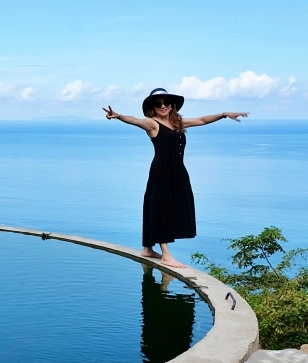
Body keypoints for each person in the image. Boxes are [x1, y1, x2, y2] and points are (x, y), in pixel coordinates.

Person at [103, 87, 248, 268]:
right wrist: (118, 116)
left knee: (172, 207)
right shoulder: (152, 124)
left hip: (178, 172)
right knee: (161, 208)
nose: (163, 106)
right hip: (161, 173)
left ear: (172, 105)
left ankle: (147, 248)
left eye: (166, 102)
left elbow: (202, 120)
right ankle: (166, 255)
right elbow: (135, 120)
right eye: (158, 104)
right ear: (153, 107)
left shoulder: (178, 122)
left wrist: (224, 114)